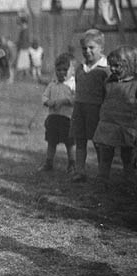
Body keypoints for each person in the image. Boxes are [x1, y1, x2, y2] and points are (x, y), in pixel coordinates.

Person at [92, 46, 137, 184]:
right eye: (110, 66)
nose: (112, 69)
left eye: (117, 66)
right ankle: (102, 176)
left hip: (126, 124)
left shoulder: (134, 84)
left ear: (129, 65)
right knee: (105, 152)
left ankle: (128, 179)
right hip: (108, 123)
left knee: (127, 154)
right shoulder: (109, 82)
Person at [69, 29, 109, 183]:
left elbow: (107, 93)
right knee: (80, 141)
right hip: (80, 109)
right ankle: (80, 171)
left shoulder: (105, 70)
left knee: (98, 143)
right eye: (84, 48)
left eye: (92, 48)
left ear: (101, 48)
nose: (87, 51)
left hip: (97, 111)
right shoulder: (80, 69)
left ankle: (102, 174)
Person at [38, 53, 76, 173]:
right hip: (53, 118)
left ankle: (72, 164)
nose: (61, 72)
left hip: (67, 118)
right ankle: (49, 163)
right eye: (59, 70)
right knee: (51, 141)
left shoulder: (73, 84)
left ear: (72, 70)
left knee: (69, 143)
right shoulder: (52, 84)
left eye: (65, 70)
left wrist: (65, 101)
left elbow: (76, 99)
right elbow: (44, 96)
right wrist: (48, 102)